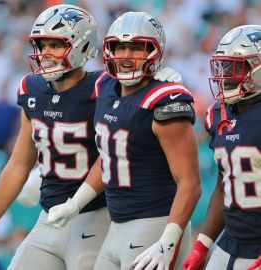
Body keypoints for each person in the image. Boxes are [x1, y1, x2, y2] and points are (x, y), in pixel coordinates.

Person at [0, 4, 183, 270]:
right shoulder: (31, 89)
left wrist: (156, 80)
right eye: (41, 45)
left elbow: (137, 82)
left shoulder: (104, 87)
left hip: (96, 216)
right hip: (49, 216)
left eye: (55, 45)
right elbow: (19, 163)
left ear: (81, 45)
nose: (45, 54)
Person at [48, 11, 201, 270]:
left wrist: (167, 242)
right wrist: (75, 203)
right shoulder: (105, 87)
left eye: (136, 48)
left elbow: (190, 183)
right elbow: (111, 157)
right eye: (120, 48)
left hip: (155, 225)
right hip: (116, 226)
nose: (126, 56)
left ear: (155, 52)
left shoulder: (165, 100)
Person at [182, 25, 261, 270]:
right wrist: (202, 245)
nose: (225, 75)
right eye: (223, 66)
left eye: (235, 67)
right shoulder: (217, 114)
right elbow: (223, 184)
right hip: (229, 243)